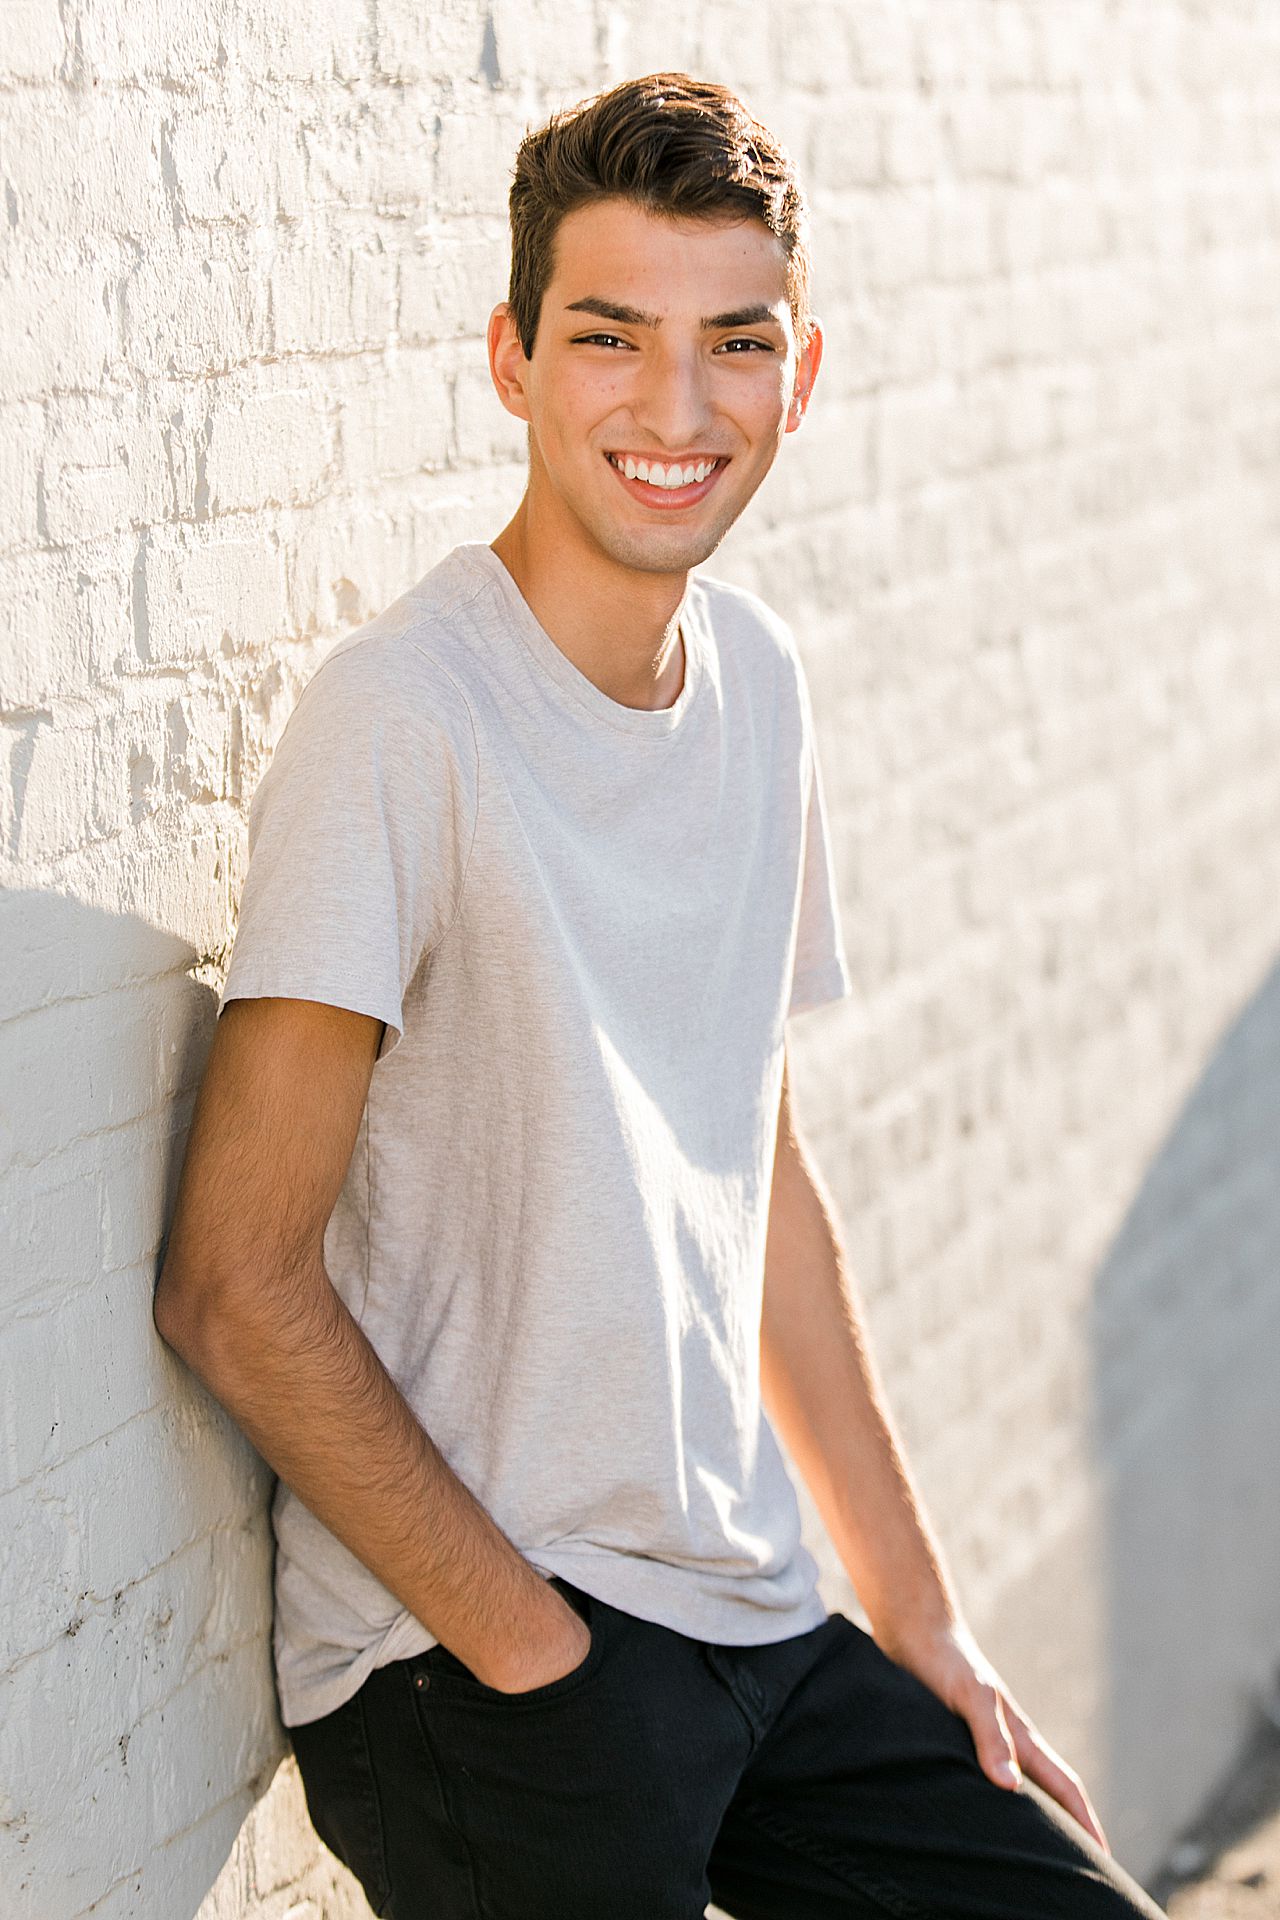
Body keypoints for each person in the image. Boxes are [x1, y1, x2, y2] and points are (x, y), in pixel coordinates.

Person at [154, 71, 1167, 1920]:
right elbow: (233, 1280)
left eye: (737, 343)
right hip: (481, 1667)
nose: (678, 409)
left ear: (805, 368)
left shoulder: (761, 687)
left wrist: (920, 1614)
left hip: (752, 1616)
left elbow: (749, 1164)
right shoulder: (407, 723)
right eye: (612, 337)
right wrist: (531, 1651)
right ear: (513, 360)